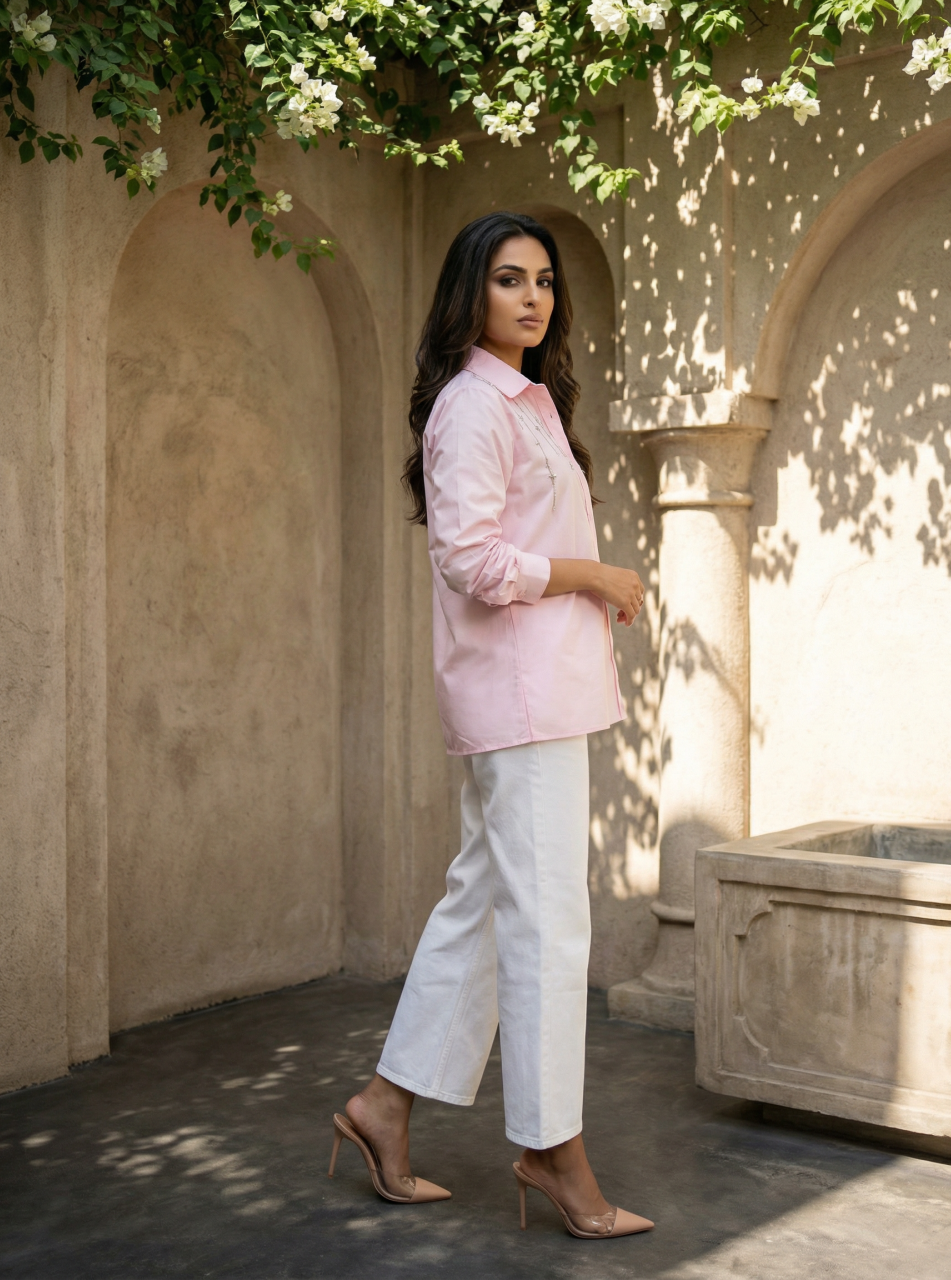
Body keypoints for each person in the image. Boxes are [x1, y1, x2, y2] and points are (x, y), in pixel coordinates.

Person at [328, 211, 654, 1240]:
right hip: (521, 698)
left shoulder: (528, 399)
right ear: (470, 292)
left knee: (481, 905)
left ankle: (383, 1106)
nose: (533, 297)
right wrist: (592, 574)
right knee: (549, 923)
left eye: (544, 281)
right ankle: (553, 1149)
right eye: (510, 279)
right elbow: (469, 559)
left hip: (539, 692)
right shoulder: (473, 405)